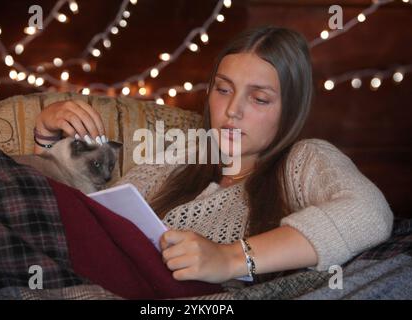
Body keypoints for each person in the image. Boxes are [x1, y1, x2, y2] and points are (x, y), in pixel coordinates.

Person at [34, 26, 394, 285]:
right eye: (223, 90)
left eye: (259, 98)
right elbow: (90, 215)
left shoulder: (303, 159)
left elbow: (369, 214)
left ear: (291, 108)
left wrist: (230, 258)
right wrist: (47, 136)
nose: (232, 110)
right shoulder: (182, 156)